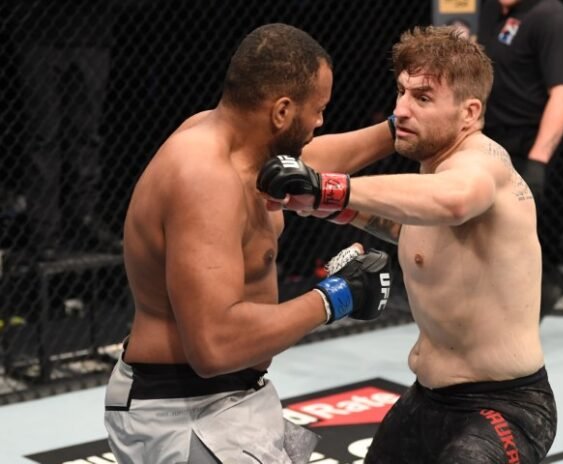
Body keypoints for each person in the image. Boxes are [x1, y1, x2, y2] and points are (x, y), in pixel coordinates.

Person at [258, 25, 557, 463]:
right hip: (427, 398)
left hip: (504, 409)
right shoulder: (431, 170)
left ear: (470, 112)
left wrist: (331, 188)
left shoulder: (484, 163)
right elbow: (415, 230)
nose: (401, 110)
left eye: (423, 98)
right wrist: (331, 206)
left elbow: (455, 200)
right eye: (400, 92)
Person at [103, 23, 395, 464]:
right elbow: (214, 345)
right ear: (281, 111)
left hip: (225, 398)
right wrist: (336, 296)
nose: (320, 121)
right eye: (317, 110)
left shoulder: (233, 145)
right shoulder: (203, 176)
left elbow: (310, 161)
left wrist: (396, 130)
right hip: (183, 409)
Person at [10, 0, 122, 259]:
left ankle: (84, 219)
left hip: (91, 33)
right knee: (43, 137)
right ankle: (44, 233)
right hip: (37, 31)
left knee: (86, 137)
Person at [477, 0, 563, 199]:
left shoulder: (551, 17)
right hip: (489, 142)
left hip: (524, 149)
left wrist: (537, 161)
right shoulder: (492, 8)